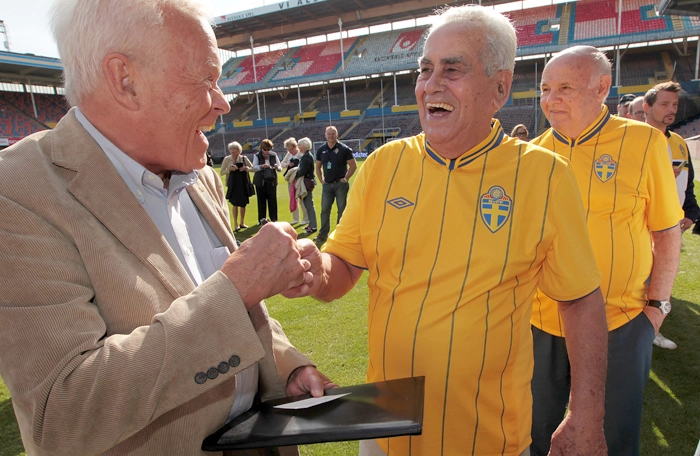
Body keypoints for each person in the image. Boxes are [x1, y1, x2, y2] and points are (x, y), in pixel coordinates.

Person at [0, 1, 337, 454]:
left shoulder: (201, 176)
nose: (223, 101)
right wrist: (236, 288)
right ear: (126, 81)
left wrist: (289, 366)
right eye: (206, 80)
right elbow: (62, 412)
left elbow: (241, 317)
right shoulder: (19, 191)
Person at [290, 6, 609, 455]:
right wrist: (313, 269)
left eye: (452, 69)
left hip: (490, 441)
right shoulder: (384, 165)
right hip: (384, 432)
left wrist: (586, 415)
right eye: (425, 69)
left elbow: (580, 299)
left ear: (499, 87)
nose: (431, 84)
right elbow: (341, 265)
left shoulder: (544, 176)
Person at [532, 45, 683, 456]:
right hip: (540, 324)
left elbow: (667, 232)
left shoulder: (645, 142)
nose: (551, 99)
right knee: (533, 434)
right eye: (545, 89)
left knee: (611, 440)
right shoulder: (532, 155)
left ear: (601, 87)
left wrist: (656, 309)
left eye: (564, 87)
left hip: (620, 321)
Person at [643, 81, 700, 350]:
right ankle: (635, 334)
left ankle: (653, 329)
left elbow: (688, 186)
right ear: (647, 107)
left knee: (662, 283)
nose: (672, 110)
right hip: (639, 228)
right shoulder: (634, 141)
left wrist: (691, 213)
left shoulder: (678, 143)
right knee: (639, 282)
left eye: (675, 105)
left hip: (672, 228)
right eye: (664, 104)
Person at [314, 125, 357, 243]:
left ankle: (340, 234)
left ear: (337, 135)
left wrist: (346, 178)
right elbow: (317, 166)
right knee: (324, 210)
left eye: (333, 133)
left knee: (342, 209)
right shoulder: (321, 149)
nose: (331, 136)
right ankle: (323, 234)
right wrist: (321, 179)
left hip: (340, 184)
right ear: (325, 135)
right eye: (328, 134)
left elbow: (353, 166)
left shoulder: (344, 149)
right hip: (327, 185)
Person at [220, 141, 253, 231]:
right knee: (235, 204)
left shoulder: (243, 158)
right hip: (233, 184)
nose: (232, 150)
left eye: (234, 149)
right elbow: (221, 172)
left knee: (243, 204)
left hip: (243, 183)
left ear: (239, 150)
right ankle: (235, 224)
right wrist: (229, 170)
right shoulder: (227, 159)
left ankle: (242, 222)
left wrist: (246, 168)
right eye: (231, 149)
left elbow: (252, 168)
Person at [253, 139, 281, 224]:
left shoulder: (273, 155)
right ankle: (261, 219)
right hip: (260, 181)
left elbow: (280, 168)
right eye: (265, 149)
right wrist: (261, 166)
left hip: (271, 180)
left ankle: (274, 219)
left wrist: (276, 167)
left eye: (268, 149)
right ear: (261, 148)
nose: (266, 151)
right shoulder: (257, 155)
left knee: (272, 200)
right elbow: (254, 166)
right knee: (261, 201)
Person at [281, 137, 308, 225]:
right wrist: (289, 164)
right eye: (288, 149)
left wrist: (296, 164)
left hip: (300, 179)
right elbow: (282, 164)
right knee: (293, 197)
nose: (290, 151)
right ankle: (296, 218)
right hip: (291, 180)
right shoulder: (288, 155)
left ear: (295, 146)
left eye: (291, 149)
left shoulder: (301, 154)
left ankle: (305, 219)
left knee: (302, 198)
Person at [295, 137, 318, 234]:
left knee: (308, 204)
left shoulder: (306, 157)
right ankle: (311, 224)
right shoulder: (307, 156)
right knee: (307, 204)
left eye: (299, 145)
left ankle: (313, 226)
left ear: (303, 146)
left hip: (306, 182)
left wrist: (294, 175)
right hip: (308, 182)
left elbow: (302, 171)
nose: (298, 147)